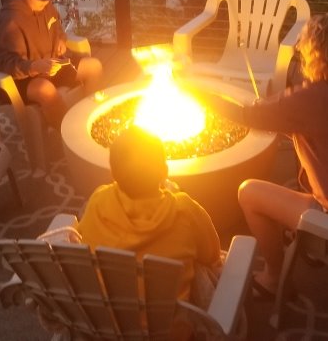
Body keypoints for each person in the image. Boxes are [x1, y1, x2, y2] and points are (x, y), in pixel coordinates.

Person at [186, 11, 328, 297]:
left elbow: (246, 114)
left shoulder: (312, 100)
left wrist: (197, 94)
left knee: (249, 192)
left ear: (315, 55)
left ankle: (273, 279)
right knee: (306, 173)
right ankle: (303, 232)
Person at [76, 126, 222, 303]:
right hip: (172, 328)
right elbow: (211, 256)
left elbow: (81, 238)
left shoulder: (98, 202)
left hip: (107, 323)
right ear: (165, 171)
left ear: (113, 174)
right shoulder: (184, 210)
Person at [0, 0, 102, 127]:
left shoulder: (46, 6)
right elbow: (3, 64)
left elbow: (57, 28)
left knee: (94, 66)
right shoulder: (10, 21)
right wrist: (34, 66)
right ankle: (68, 133)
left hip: (50, 66)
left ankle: (92, 118)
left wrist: (61, 40)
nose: (46, 2)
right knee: (44, 89)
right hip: (20, 79)